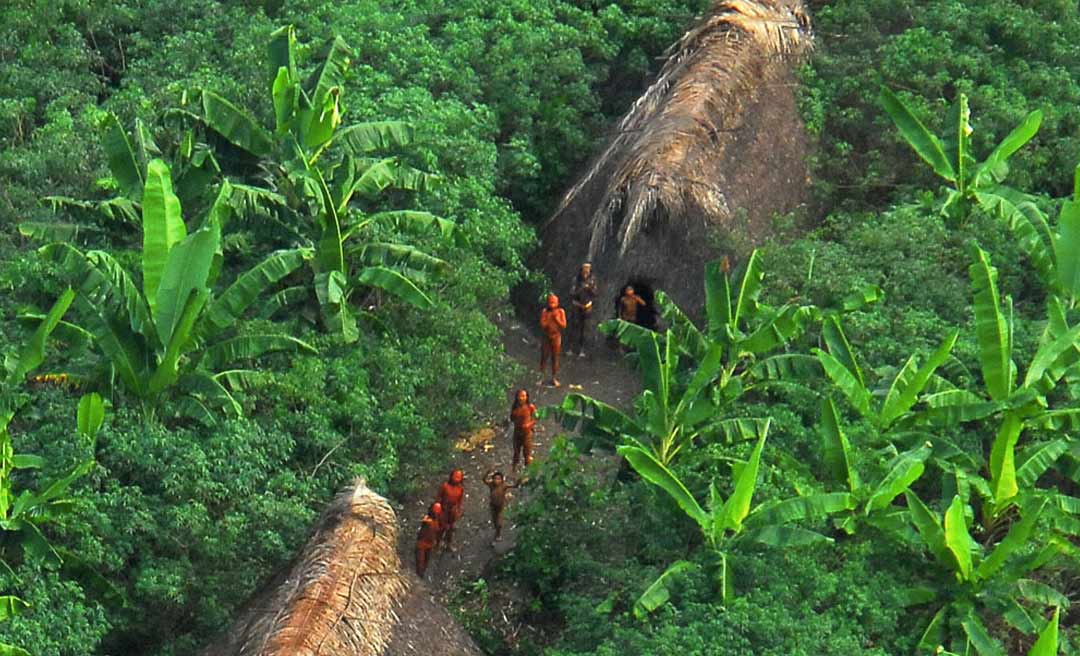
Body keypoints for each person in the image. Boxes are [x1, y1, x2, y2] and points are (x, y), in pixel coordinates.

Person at [483, 469, 519, 544]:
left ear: (502, 480)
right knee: (495, 521)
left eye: (499, 479)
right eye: (495, 478)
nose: (497, 480)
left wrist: (519, 481)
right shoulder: (491, 485)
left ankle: (497, 534)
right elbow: (484, 480)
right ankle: (497, 532)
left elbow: (515, 486)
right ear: (493, 479)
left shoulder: (504, 486)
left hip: (500, 507)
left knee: (499, 523)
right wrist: (487, 473)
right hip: (493, 506)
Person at [570, 263, 598, 358]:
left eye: (588, 269)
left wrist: (589, 288)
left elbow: (595, 294)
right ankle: (571, 348)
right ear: (581, 270)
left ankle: (582, 350)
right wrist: (582, 288)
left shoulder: (592, 280)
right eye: (584, 269)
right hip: (577, 305)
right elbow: (572, 293)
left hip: (587, 306)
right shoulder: (576, 280)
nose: (586, 271)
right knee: (574, 326)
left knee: (584, 328)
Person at [539, 294, 567, 387]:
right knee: (544, 357)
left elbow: (563, 325)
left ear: (558, 303)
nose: (552, 304)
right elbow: (542, 325)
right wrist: (549, 319)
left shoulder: (560, 311)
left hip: (556, 336)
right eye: (550, 302)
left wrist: (557, 318)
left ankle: (554, 378)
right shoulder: (545, 311)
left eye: (554, 302)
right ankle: (541, 377)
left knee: (555, 358)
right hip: (546, 337)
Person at [436, 469, 465, 551]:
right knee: (442, 528)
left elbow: (460, 501)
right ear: (451, 476)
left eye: (459, 477)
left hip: (452, 511)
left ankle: (448, 545)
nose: (456, 478)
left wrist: (458, 510)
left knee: (451, 529)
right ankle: (437, 545)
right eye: (455, 476)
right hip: (443, 509)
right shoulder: (445, 486)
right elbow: (438, 498)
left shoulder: (460, 489)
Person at [510, 388, 538, 472]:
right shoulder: (515, 407)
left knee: (527, 454)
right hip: (517, 433)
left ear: (527, 397)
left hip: (527, 434)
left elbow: (536, 417)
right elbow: (511, 418)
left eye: (523, 396)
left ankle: (527, 472)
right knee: (516, 453)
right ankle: (513, 470)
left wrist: (529, 425)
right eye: (519, 396)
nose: (521, 398)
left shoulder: (530, 407)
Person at [415, 502, 443, 578]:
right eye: (436, 511)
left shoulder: (436, 521)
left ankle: (421, 575)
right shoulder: (427, 520)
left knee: (425, 562)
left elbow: (437, 532)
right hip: (422, 543)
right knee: (420, 561)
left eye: (438, 511)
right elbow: (424, 526)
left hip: (429, 544)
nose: (437, 513)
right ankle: (418, 575)